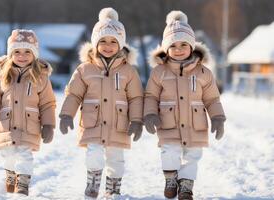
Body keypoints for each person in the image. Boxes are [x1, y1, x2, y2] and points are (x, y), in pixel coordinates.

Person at [59, 7, 143, 199]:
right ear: (95, 43)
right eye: (103, 41)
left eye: (113, 41)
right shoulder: (84, 69)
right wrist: (66, 114)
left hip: (118, 123)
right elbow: (73, 94)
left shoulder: (128, 71)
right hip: (92, 122)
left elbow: (136, 98)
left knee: (116, 158)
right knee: (93, 153)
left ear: (121, 44)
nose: (108, 45)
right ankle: (94, 180)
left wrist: (137, 120)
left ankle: (113, 187)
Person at [144, 11, 226, 200]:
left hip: (195, 123)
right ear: (166, 48)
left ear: (191, 46)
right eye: (173, 45)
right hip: (167, 122)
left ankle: (186, 187)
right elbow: (150, 96)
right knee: (169, 152)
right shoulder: (159, 72)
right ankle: (171, 178)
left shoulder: (204, 72)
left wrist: (217, 117)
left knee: (193, 155)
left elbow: (212, 99)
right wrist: (149, 114)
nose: (178, 49)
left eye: (183, 45)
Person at [0, 29, 56, 196]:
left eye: (27, 51)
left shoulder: (41, 78)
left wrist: (48, 125)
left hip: (29, 126)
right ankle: (10, 174)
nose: (22, 55)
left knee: (25, 156)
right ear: (10, 54)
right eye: (17, 51)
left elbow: (48, 104)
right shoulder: (0, 77)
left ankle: (23, 182)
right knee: (9, 156)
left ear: (35, 54)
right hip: (7, 126)